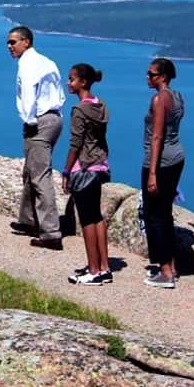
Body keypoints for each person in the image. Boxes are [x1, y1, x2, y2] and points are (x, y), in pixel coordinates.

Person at [6, 26, 66, 249]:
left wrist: (29, 121)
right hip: (54, 119)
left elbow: (29, 95)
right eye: (8, 43)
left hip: (39, 121)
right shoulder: (47, 62)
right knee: (31, 170)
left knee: (40, 176)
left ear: (26, 42)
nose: (9, 47)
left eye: (13, 42)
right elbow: (59, 93)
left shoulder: (27, 64)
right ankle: (28, 219)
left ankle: (50, 232)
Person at [61, 64, 112, 285]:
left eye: (71, 79)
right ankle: (104, 267)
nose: (68, 83)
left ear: (83, 82)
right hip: (100, 165)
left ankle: (93, 270)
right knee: (97, 217)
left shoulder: (80, 110)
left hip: (84, 168)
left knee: (87, 220)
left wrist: (66, 171)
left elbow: (76, 144)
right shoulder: (100, 105)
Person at [142, 57, 185, 288]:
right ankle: (172, 265)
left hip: (160, 162)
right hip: (177, 157)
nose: (148, 78)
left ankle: (166, 272)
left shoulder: (159, 99)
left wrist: (152, 174)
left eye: (152, 74)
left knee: (154, 215)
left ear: (163, 77)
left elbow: (157, 136)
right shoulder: (177, 97)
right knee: (165, 213)